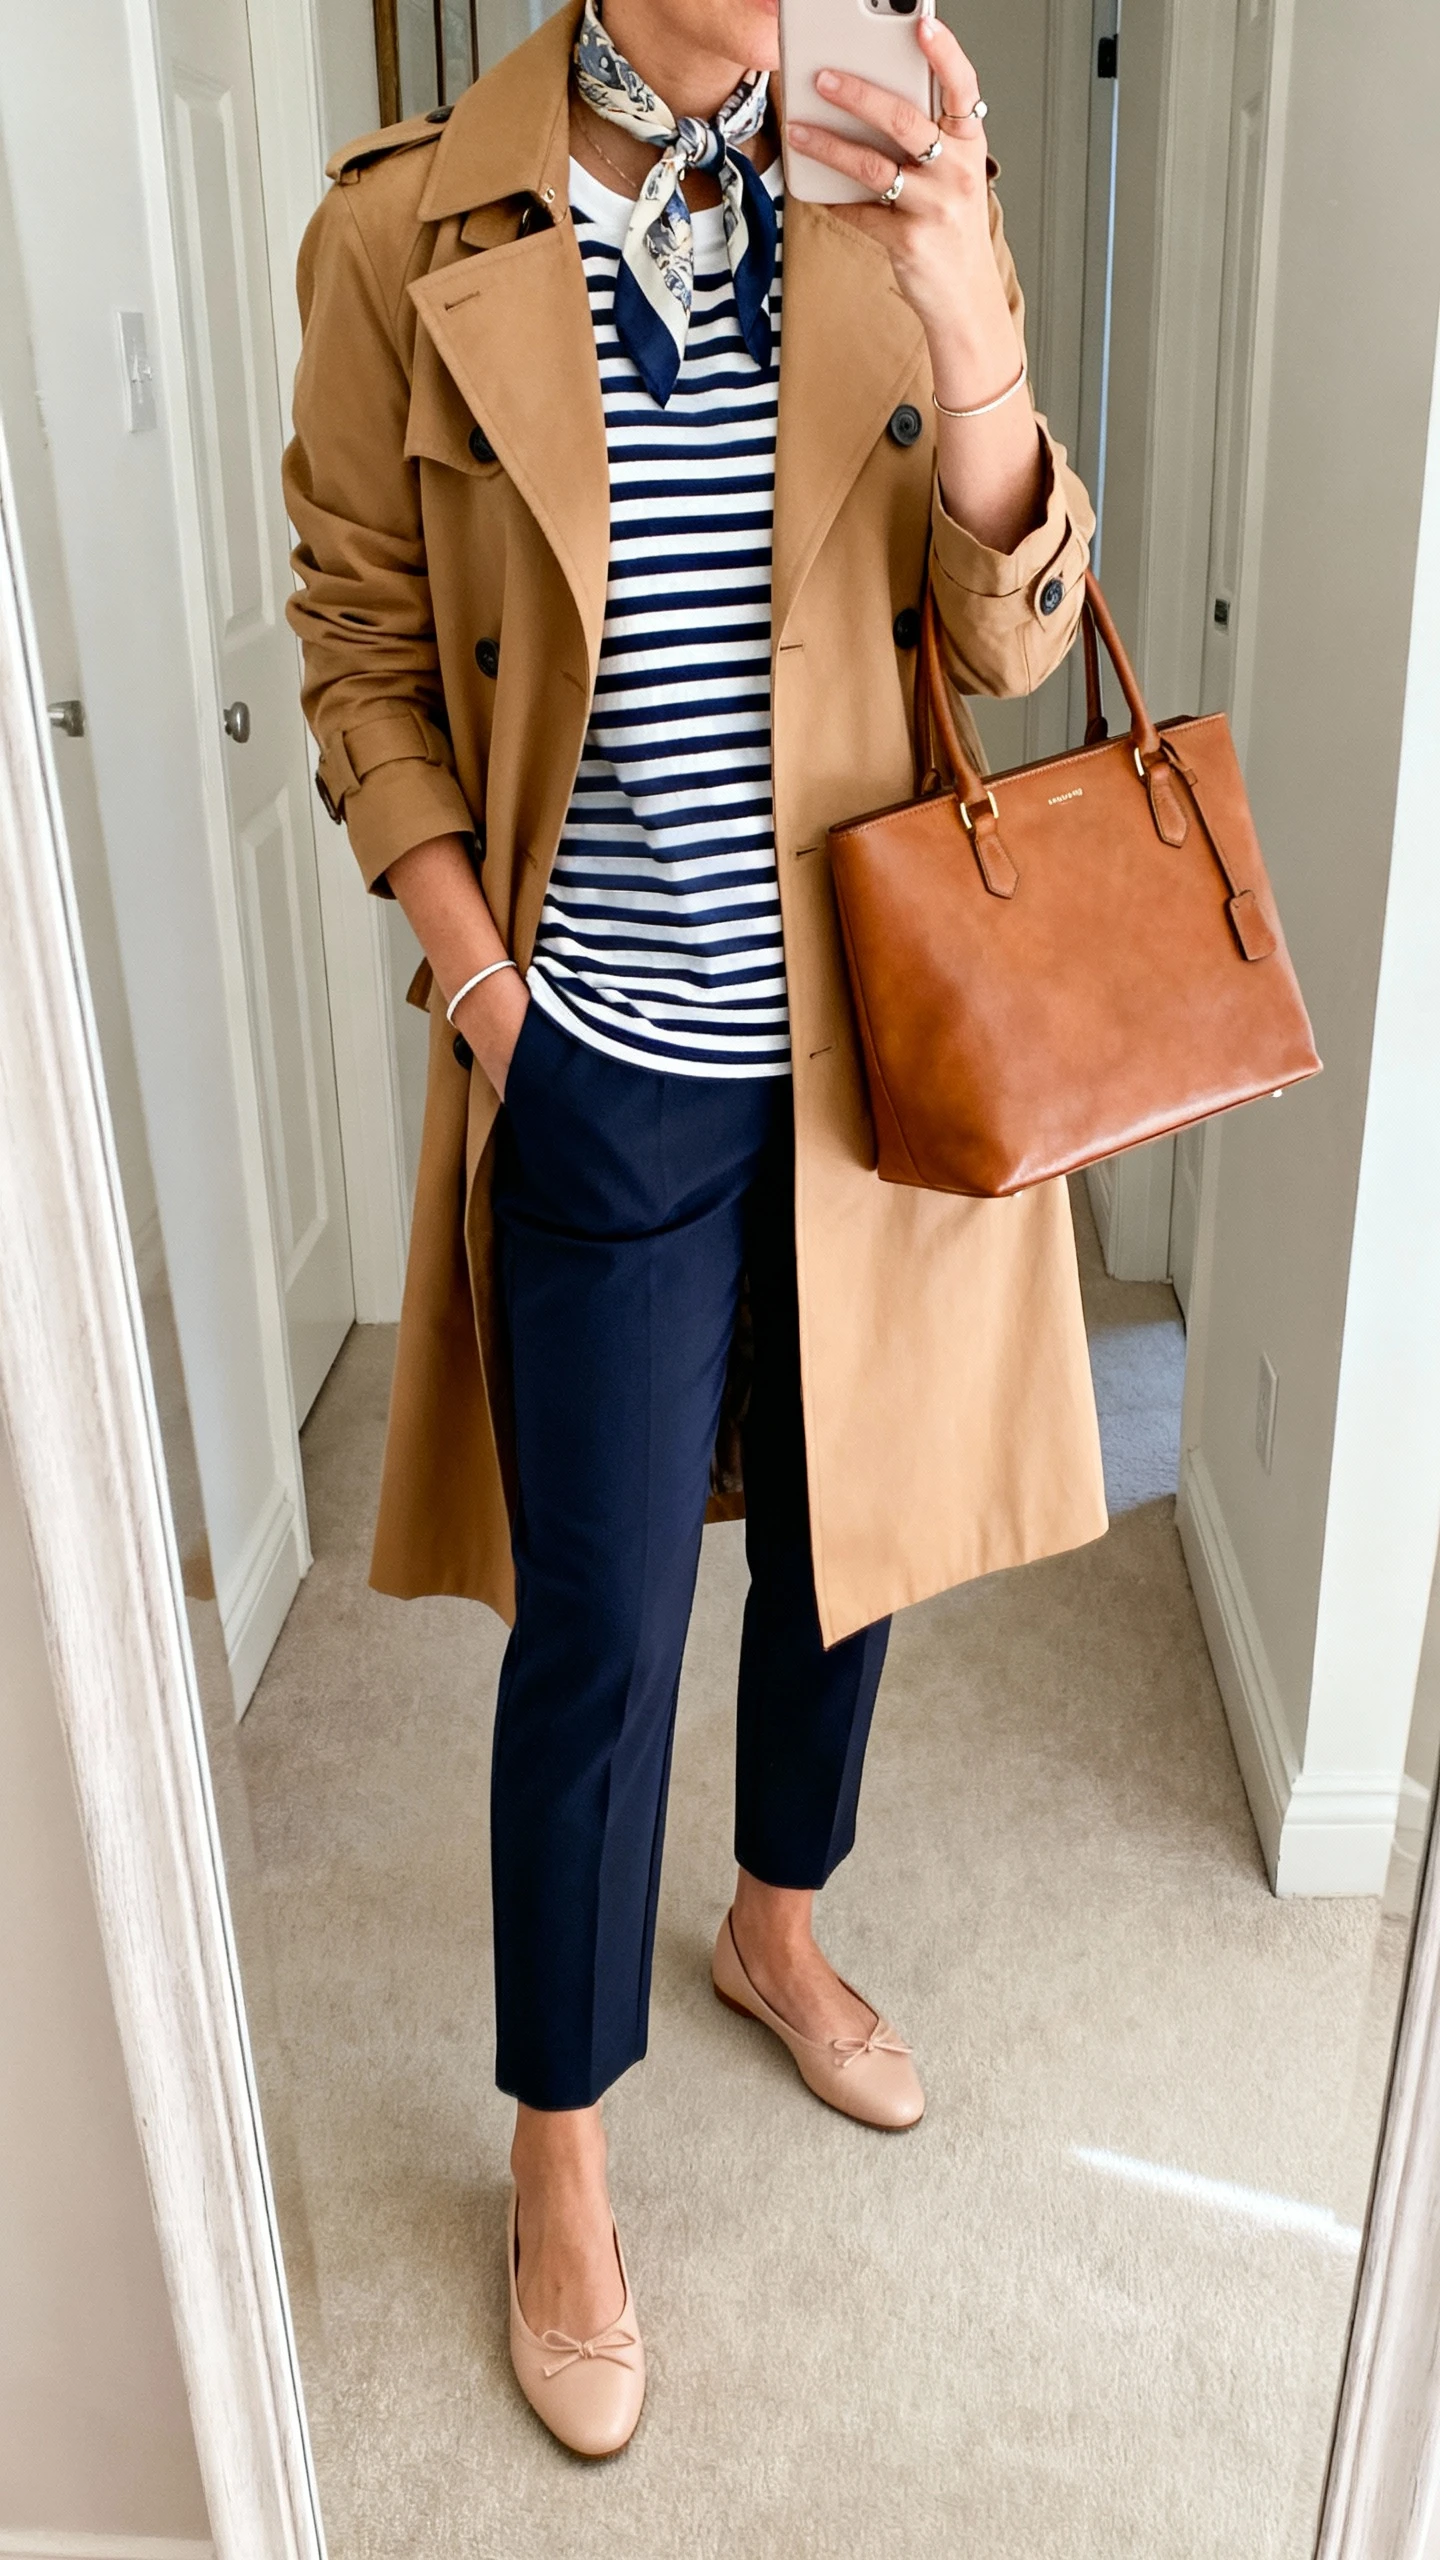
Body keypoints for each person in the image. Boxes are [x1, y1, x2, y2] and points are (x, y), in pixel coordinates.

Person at [284, 0, 1106, 2458]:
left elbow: (1011, 634)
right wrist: (488, 992)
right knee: (603, 1629)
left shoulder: (889, 187)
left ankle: (776, 1921)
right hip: (598, 1064)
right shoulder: (403, 225)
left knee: (853, 1552)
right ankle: (558, 2150)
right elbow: (359, 643)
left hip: (873, 1052)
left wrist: (966, 312)